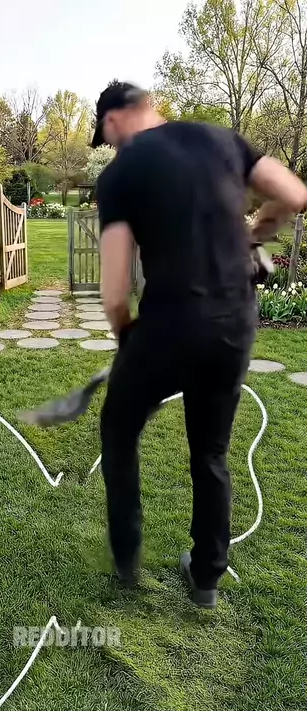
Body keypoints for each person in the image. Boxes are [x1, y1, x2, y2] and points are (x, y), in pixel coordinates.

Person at [93, 81, 307, 608]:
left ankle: (127, 556)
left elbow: (114, 292)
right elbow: (294, 194)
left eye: (106, 135)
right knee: (210, 452)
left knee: (118, 427)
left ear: (115, 120)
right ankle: (207, 577)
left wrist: (126, 338)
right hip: (233, 326)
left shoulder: (120, 173)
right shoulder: (221, 140)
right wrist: (256, 233)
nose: (111, 146)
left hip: (168, 327)